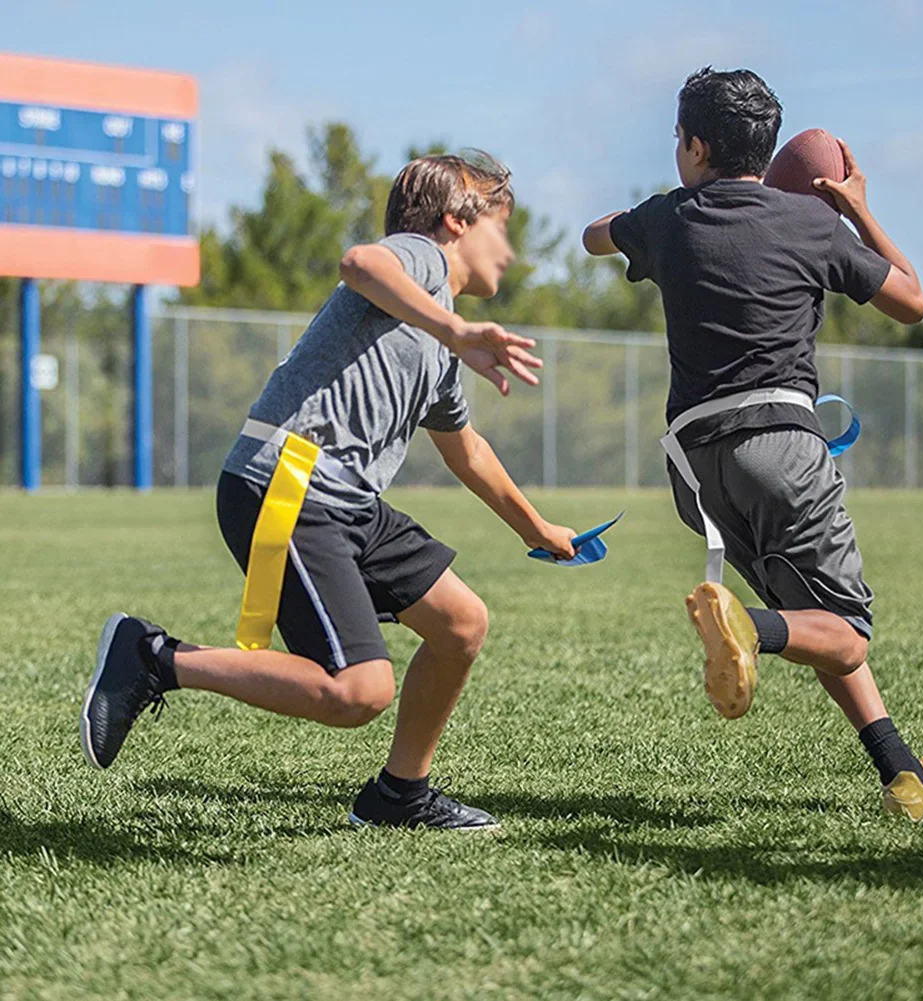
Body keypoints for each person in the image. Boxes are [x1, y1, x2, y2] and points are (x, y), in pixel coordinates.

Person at [81, 151, 577, 831]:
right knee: (357, 691)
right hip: (289, 482)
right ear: (457, 220)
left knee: (460, 624)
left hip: (345, 500)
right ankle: (153, 656)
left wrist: (536, 528)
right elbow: (359, 264)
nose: (512, 252)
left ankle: (399, 794)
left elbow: (467, 450)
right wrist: (457, 330)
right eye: (503, 227)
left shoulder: (437, 338)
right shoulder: (422, 261)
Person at [583, 67, 923, 821]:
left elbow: (592, 237)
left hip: (695, 469)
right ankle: (749, 624)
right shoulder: (814, 225)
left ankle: (901, 772)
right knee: (841, 631)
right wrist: (857, 213)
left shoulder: (667, 216)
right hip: (780, 448)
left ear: (694, 145)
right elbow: (910, 301)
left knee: (808, 612)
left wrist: (636, 222)